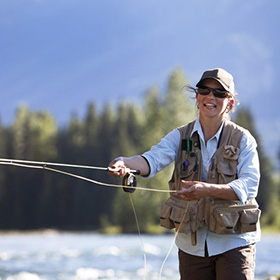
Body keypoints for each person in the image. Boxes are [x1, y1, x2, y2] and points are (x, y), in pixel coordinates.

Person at [107, 68, 261, 280]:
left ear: (230, 103)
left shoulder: (243, 140)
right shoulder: (180, 136)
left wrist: (208, 191)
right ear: (197, 97)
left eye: (219, 93)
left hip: (234, 243)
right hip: (192, 247)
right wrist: (124, 162)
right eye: (204, 90)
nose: (210, 97)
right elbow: (151, 160)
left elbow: (250, 185)